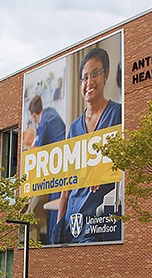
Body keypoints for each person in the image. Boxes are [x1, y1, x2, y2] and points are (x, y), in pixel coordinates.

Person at [53, 47, 122, 244]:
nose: (89, 82)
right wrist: (59, 225)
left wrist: (104, 166)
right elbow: (67, 184)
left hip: (99, 220)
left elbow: (126, 161)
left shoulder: (118, 114)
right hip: (72, 221)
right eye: (84, 77)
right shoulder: (74, 128)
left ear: (106, 74)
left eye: (96, 74)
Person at [27, 95, 67, 244]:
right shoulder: (51, 111)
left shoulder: (43, 123)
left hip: (59, 166)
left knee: (53, 203)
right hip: (65, 162)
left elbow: (37, 151)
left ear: (33, 115)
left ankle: (52, 241)